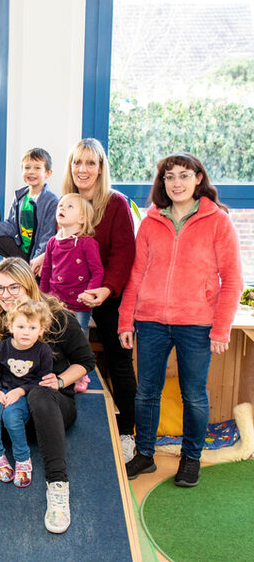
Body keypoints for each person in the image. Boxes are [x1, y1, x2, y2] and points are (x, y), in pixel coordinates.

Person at [0, 258, 95, 533]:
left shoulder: (59, 317)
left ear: (29, 287)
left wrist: (60, 380)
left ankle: (57, 487)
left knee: (39, 393)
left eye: (14, 288)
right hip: (7, 406)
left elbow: (85, 361)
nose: (5, 295)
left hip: (50, 409)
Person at [119, 153, 242, 488]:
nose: (176, 183)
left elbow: (232, 280)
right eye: (169, 177)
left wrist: (220, 327)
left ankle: (191, 458)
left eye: (184, 176)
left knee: (194, 395)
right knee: (146, 392)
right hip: (151, 321)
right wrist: (126, 321)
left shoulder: (218, 222)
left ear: (198, 178)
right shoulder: (151, 221)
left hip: (197, 324)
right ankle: (144, 455)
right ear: (163, 183)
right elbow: (136, 275)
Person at [33, 139, 137, 459]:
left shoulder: (115, 204)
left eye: (91, 163)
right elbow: (60, 243)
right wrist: (40, 261)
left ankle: (127, 432)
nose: (83, 169)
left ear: (101, 168)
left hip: (105, 291)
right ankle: (59, 413)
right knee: (56, 348)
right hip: (67, 296)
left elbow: (123, 255)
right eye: (78, 163)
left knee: (118, 358)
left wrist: (104, 290)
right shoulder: (68, 202)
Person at [0, 299, 53, 488]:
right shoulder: (2, 348)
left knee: (11, 416)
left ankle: (22, 458)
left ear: (41, 330)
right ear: (11, 326)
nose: (26, 332)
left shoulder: (43, 351)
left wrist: (21, 391)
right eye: (21, 326)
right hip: (2, 390)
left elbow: (43, 380)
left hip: (24, 393)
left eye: (32, 328)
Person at [0, 147, 57, 262]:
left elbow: (47, 237)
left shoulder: (51, 201)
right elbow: (11, 226)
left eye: (37, 168)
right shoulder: (20, 196)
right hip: (19, 250)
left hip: (37, 256)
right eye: (27, 167)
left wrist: (35, 262)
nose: (31, 171)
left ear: (48, 173)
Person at [39, 193, 104, 335]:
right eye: (61, 205)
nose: (62, 208)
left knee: (78, 340)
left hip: (79, 305)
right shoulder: (52, 242)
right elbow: (46, 271)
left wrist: (89, 293)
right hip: (54, 303)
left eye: (70, 206)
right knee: (53, 338)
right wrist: (42, 297)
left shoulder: (87, 243)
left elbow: (97, 272)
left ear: (82, 218)